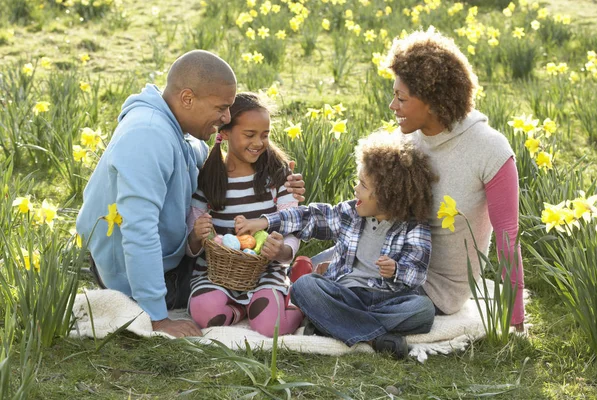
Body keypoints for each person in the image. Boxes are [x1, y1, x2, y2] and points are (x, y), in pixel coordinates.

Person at [76, 51, 305, 338]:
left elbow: (215, 162)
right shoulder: (146, 136)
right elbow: (138, 232)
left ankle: (285, 285)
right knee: (209, 303)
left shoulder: (179, 131)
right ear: (187, 98)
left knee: (243, 282)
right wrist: (158, 319)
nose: (225, 118)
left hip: (170, 261)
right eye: (221, 108)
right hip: (133, 275)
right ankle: (290, 289)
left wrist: (281, 177)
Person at [236, 131, 438, 359]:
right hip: (344, 293)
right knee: (304, 286)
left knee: (423, 310)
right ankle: (374, 338)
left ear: (388, 195)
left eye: (363, 185)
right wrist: (264, 221)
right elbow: (309, 217)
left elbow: (417, 273)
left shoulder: (415, 227)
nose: (356, 189)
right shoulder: (350, 213)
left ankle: (331, 322)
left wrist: (396, 270)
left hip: (386, 298)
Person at [386, 28, 525, 330]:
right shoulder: (408, 139)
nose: (392, 106)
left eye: (401, 98)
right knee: (317, 279)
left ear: (433, 102)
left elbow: (507, 237)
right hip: (392, 268)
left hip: (437, 291)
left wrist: (514, 321)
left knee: (325, 292)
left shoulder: (490, 149)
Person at [186, 92, 303, 337]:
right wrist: (196, 236)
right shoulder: (208, 179)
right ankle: (241, 309)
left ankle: (300, 301)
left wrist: (281, 251)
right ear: (225, 133)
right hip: (217, 273)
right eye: (249, 135)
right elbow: (192, 241)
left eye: (265, 135)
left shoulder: (277, 177)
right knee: (204, 313)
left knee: (270, 327)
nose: (259, 143)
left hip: (265, 270)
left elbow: (293, 225)